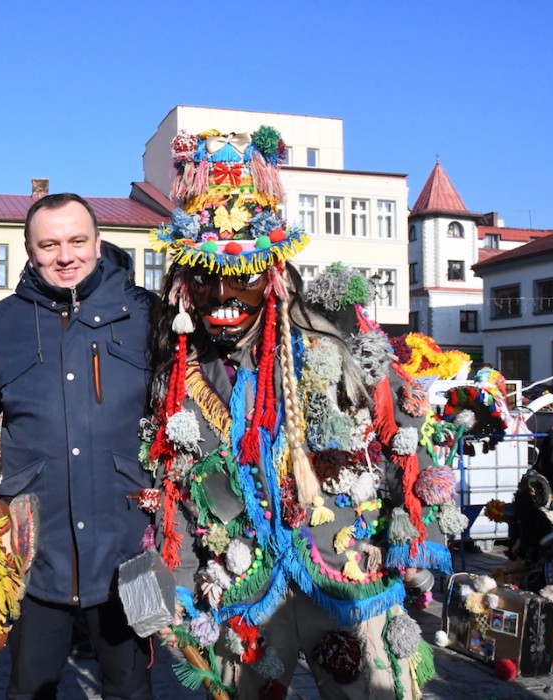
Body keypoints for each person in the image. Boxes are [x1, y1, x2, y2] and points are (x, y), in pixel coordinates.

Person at [142, 126, 464, 698]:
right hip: (242, 589)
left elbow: (409, 425)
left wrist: (416, 535)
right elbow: (176, 488)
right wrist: (178, 583)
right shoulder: (180, 375)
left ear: (271, 273)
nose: (223, 297)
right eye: (206, 278)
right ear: (185, 285)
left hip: (346, 577)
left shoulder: (331, 339)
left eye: (241, 277)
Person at [0, 193, 155, 699]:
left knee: (134, 686)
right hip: (35, 552)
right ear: (30, 251)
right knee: (28, 688)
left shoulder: (145, 313)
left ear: (98, 243)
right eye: (49, 244)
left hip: (133, 544)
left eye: (77, 241)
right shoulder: (5, 322)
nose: (65, 256)